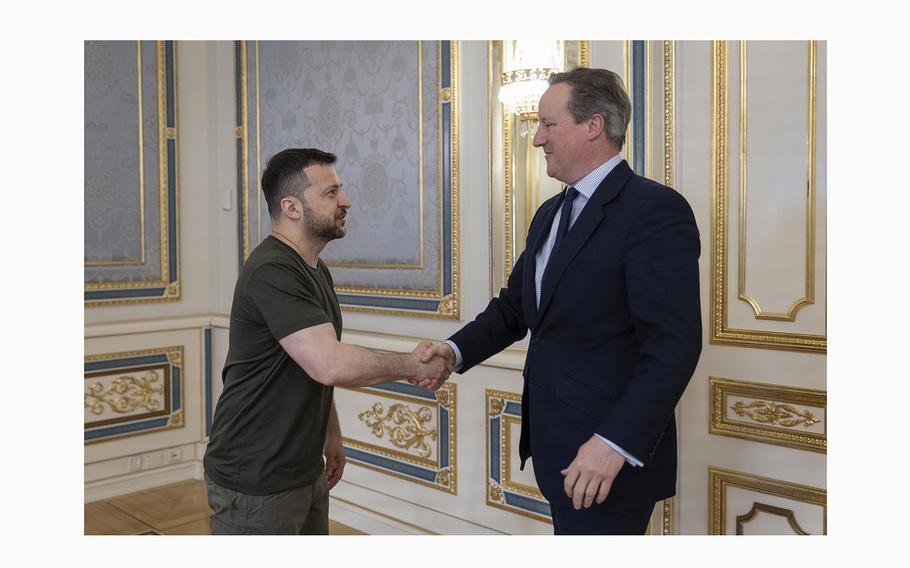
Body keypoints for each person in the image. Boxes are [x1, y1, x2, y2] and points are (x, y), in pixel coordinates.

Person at [422, 68, 702, 534]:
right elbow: (515, 308)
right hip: (557, 446)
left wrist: (612, 443)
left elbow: (673, 345)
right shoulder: (551, 212)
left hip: (606, 458)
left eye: (549, 125)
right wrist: (451, 352)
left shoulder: (654, 210)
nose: (537, 140)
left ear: (593, 125)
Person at [203, 148, 451, 535]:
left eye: (341, 190)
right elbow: (330, 363)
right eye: (331, 193)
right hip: (255, 476)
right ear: (292, 207)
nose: (346, 201)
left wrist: (331, 434)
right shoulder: (272, 270)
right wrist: (412, 365)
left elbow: (311, 366)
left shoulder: (313, 269)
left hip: (302, 468)